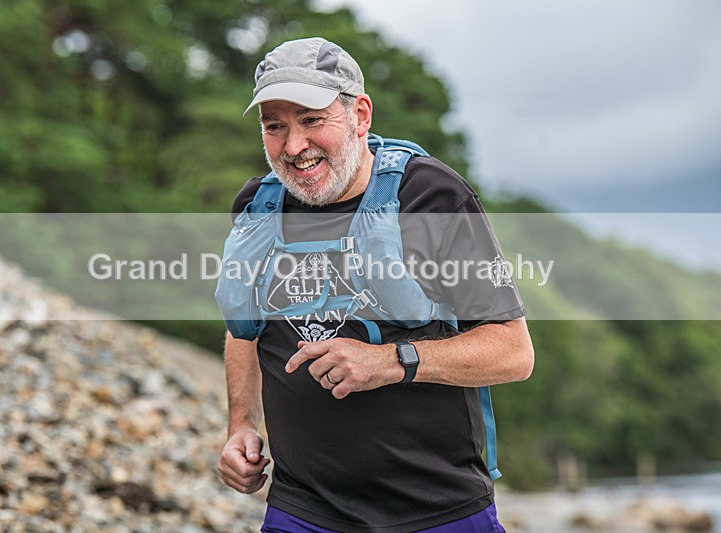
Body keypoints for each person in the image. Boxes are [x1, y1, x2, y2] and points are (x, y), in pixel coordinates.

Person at [216, 37, 534, 533]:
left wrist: (389, 361)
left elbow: (513, 352)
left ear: (360, 115)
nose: (293, 146)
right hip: (303, 509)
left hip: (438, 508)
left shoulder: (430, 196)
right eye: (274, 126)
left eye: (311, 120)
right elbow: (246, 329)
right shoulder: (257, 206)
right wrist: (241, 426)